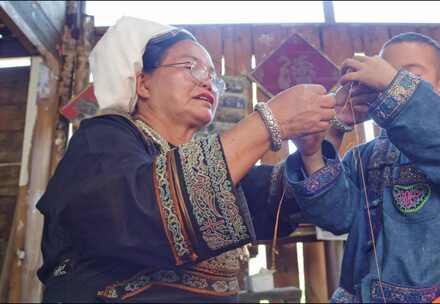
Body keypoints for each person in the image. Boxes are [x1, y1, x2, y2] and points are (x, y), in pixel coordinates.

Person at [36, 16, 336, 302]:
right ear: (143, 84)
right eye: (191, 67)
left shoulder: (211, 165)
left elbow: (273, 202)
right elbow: (143, 212)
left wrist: (319, 143)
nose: (207, 82)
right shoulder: (102, 138)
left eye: (211, 75)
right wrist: (269, 121)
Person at [288, 32, 440, 303]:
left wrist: (392, 83)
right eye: (385, 72)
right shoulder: (361, 156)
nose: (389, 81)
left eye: (408, 75)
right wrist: (315, 149)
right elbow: (336, 217)